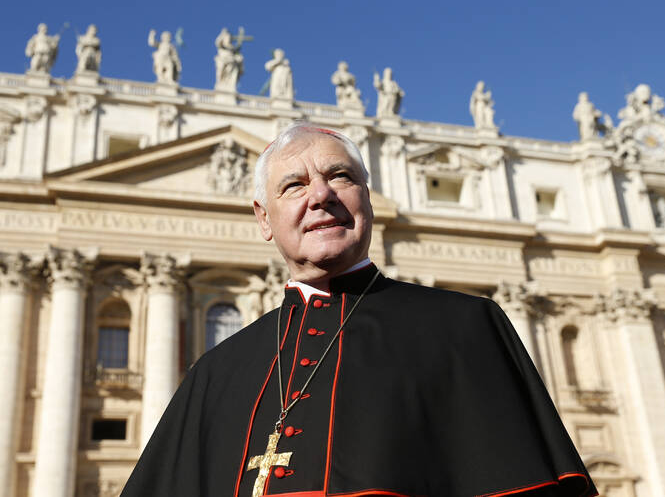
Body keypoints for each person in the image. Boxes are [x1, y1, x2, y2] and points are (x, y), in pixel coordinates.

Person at [121, 123, 596, 497]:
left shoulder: (466, 327)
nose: (320, 195)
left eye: (340, 177)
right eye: (293, 185)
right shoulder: (214, 373)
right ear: (264, 219)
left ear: (367, 200)